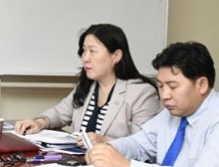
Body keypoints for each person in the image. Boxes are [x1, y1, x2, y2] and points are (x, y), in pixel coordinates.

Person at [87, 42, 219, 167]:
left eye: (173, 86)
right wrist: (106, 151)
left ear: (202, 84)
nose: (164, 95)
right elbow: (139, 144)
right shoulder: (175, 112)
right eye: (161, 86)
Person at [14, 24, 160, 141]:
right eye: (84, 51)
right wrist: (39, 122)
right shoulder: (88, 84)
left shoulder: (142, 92)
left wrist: (106, 142)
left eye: (92, 51)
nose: (85, 58)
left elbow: (143, 145)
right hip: (80, 162)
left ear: (116, 56)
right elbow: (60, 113)